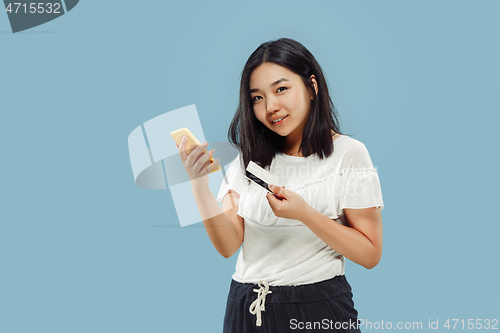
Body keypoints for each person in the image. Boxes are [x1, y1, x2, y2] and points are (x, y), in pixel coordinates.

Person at [176, 38, 384, 333]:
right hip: (245, 308)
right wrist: (198, 186)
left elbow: (370, 253)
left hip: (316, 308)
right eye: (257, 98)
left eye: (281, 89)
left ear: (311, 86)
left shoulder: (349, 154)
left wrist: (304, 214)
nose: (270, 106)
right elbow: (228, 245)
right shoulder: (248, 161)